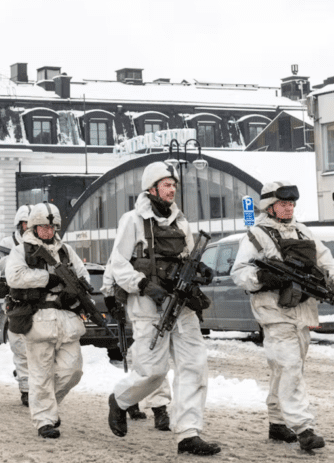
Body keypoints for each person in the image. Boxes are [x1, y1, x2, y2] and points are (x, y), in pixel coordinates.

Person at [106, 161, 221, 456]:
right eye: (166, 185)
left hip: (181, 304)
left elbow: (188, 257)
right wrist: (142, 285)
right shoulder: (132, 220)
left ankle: (188, 434)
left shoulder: (181, 222)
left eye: (174, 185)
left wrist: (201, 270)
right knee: (152, 372)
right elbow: (118, 263)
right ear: (151, 188)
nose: (172, 190)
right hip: (148, 304)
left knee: (195, 367)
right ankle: (120, 400)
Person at [231, 181, 334, 453]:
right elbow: (239, 273)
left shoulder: (302, 230)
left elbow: (325, 258)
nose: (289, 208)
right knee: (289, 367)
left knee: (285, 369)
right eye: (284, 203)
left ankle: (277, 422)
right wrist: (262, 277)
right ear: (269, 205)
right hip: (273, 312)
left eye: (292, 204)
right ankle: (303, 428)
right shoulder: (256, 235)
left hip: (301, 311)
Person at [5, 203, 89, 439]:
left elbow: (82, 273)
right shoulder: (21, 250)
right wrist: (47, 279)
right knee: (40, 375)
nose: (48, 231)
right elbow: (15, 276)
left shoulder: (66, 251)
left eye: (52, 226)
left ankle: (46, 406)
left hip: (66, 319)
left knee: (73, 371)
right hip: (38, 318)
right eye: (43, 226)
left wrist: (76, 289)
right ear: (34, 226)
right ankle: (44, 420)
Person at [101, 261, 173, 429]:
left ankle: (151, 404)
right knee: (144, 357)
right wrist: (112, 303)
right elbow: (110, 276)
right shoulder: (125, 249)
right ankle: (146, 403)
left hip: (155, 306)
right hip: (134, 308)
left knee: (147, 358)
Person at [0, 204, 33, 406]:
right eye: (26, 223)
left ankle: (32, 381)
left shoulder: (40, 244)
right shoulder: (6, 244)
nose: (28, 227)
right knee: (19, 347)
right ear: (19, 224)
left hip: (37, 303)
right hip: (16, 302)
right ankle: (26, 388)